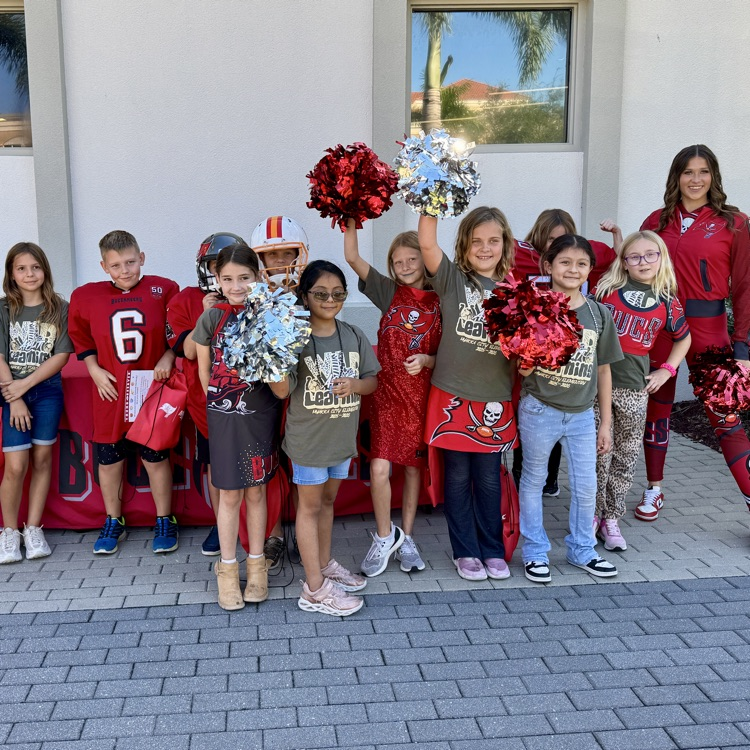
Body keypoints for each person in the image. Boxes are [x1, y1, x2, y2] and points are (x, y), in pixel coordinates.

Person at [640, 145, 750, 518]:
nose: (696, 179)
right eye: (688, 172)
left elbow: (745, 288)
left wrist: (743, 348)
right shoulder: (656, 221)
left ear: (713, 176)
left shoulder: (734, 223)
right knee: (656, 408)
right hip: (660, 328)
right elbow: (636, 273)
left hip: (709, 328)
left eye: (703, 171)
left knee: (725, 415)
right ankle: (654, 489)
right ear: (677, 177)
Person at [273, 260, 379, 616]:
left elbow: (372, 381)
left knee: (328, 502)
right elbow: (282, 390)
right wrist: (272, 358)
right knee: (310, 506)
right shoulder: (295, 337)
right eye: (320, 293)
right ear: (305, 295)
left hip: (340, 439)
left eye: (338, 294)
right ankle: (314, 586)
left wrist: (355, 385)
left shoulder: (352, 334)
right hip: (309, 442)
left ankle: (324, 562)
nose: (330, 300)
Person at [418, 208, 517, 582]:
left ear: (505, 244)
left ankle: (493, 550)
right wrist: (434, 196)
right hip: (453, 397)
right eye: (476, 241)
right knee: (457, 477)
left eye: (493, 240)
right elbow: (427, 241)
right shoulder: (453, 280)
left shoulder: (515, 291)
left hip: (494, 398)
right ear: (464, 244)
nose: (485, 248)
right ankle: (465, 552)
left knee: (489, 479)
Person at [518, 234, 623, 583]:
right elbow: (520, 366)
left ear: (591, 269)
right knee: (533, 480)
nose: (572, 269)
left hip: (582, 415)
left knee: (585, 485)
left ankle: (581, 549)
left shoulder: (598, 313)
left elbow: (605, 369)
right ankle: (534, 551)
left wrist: (605, 423)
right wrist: (527, 362)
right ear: (548, 266)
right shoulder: (534, 308)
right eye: (564, 262)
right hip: (540, 409)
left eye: (581, 263)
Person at [68, 230, 179, 555]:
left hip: (151, 389)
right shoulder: (87, 296)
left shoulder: (163, 289)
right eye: (116, 265)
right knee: (110, 459)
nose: (125, 270)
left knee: (154, 457)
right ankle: (113, 519)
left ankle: (164, 518)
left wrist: (169, 356)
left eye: (130, 262)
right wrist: (93, 368)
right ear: (104, 266)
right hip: (111, 390)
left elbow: (178, 331)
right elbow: (81, 336)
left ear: (141, 258)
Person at [344, 220, 442, 577]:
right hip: (387, 394)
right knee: (379, 467)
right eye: (398, 261)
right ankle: (385, 536)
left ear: (425, 259)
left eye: (412, 259)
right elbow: (352, 257)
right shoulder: (388, 292)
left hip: (422, 397)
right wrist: (350, 218)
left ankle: (408, 537)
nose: (404, 267)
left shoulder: (442, 296)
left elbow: (450, 350)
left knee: (414, 469)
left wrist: (429, 360)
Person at [192, 243, 286, 610]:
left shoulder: (269, 314)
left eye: (244, 278)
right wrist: (219, 405)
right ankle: (227, 569)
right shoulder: (211, 318)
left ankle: (257, 565)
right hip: (223, 415)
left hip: (261, 412)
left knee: (257, 491)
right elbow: (203, 369)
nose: (236, 286)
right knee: (229, 493)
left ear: (257, 277)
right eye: (228, 279)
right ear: (217, 279)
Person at [512, 209, 623, 497]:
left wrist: (617, 235)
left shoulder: (594, 310)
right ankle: (523, 475)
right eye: (550, 240)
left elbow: (619, 260)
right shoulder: (521, 255)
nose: (557, 245)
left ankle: (550, 480)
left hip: (576, 381)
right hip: (536, 373)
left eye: (562, 239)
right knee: (534, 426)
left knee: (568, 450)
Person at [594, 231, 690, 550]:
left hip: (636, 390)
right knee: (597, 457)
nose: (643, 262)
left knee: (625, 458)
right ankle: (591, 515)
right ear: (624, 261)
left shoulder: (667, 299)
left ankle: (612, 519)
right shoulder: (608, 290)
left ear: (661, 257)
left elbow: (684, 338)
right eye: (634, 256)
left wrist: (667, 369)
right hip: (597, 389)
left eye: (651, 255)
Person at [167, 232, 245, 556]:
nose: (220, 273)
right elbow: (184, 350)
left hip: (250, 398)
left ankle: (261, 529)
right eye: (215, 266)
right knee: (216, 464)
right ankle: (220, 521)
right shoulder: (185, 299)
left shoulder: (249, 296)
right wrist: (206, 315)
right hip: (208, 400)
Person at [0, 243, 73, 564]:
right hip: (10, 395)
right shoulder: (4, 309)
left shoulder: (59, 307)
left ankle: (33, 528)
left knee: (43, 459)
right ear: (11, 275)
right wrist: (13, 396)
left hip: (46, 392)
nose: (29, 274)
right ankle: (10, 531)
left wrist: (25, 386)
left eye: (35, 267)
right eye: (21, 268)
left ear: (45, 270)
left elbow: (61, 355)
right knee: (16, 466)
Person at [249, 216, 310, 569]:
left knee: (302, 467)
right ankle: (273, 534)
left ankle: (304, 535)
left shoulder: (311, 291)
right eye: (272, 256)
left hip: (303, 394)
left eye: (287, 253)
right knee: (268, 468)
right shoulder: (252, 297)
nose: (281, 262)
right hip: (265, 395)